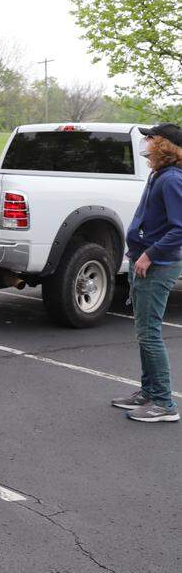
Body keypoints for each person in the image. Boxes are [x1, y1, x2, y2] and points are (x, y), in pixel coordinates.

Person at [111, 123, 182, 423]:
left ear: (164, 144)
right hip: (143, 260)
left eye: (150, 138)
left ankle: (164, 403)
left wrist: (149, 255)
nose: (146, 143)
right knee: (144, 333)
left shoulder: (172, 180)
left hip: (157, 264)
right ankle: (148, 392)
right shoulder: (159, 175)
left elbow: (180, 227)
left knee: (149, 333)